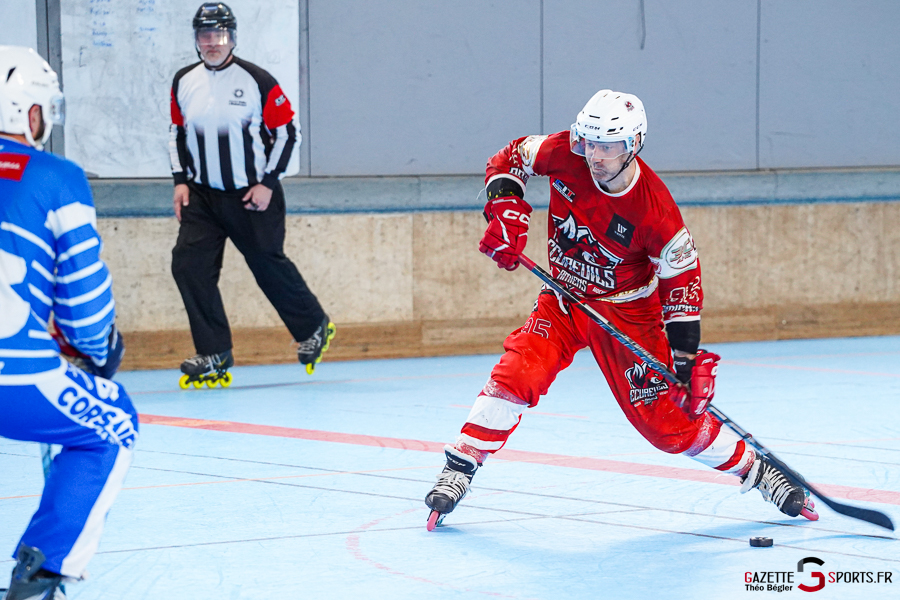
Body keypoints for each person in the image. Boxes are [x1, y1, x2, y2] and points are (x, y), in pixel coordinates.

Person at [424, 89, 817, 528]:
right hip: (564, 300)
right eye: (589, 143)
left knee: (669, 427)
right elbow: (511, 157)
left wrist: (685, 361)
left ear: (633, 145)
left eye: (607, 146)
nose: (594, 155)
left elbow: (682, 287)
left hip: (628, 316)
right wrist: (505, 209)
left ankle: (759, 471)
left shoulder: (655, 210)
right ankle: (460, 466)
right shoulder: (564, 153)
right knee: (519, 373)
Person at [0, 46, 137, 599]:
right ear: (28, 112)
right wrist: (98, 347)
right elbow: (82, 300)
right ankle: (40, 573)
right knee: (114, 424)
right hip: (17, 378)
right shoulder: (56, 177)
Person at [169, 2, 334, 385]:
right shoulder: (183, 80)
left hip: (252, 196)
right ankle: (214, 353)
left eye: (219, 35)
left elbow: (288, 133)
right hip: (202, 197)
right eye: (205, 35)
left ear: (233, 38)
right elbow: (176, 132)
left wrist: (268, 182)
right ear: (196, 39)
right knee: (188, 266)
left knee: (266, 265)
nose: (212, 43)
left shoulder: (258, 80)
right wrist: (180, 180)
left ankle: (313, 326)